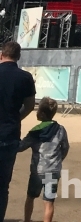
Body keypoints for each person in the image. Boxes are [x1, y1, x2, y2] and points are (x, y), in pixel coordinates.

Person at [0, 40, 35, 221]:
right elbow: (29, 106)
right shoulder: (25, 77)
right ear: (18, 57)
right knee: (2, 186)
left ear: (1, 55)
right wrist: (15, 119)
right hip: (9, 135)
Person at [19, 97, 69, 222]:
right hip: (53, 171)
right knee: (49, 202)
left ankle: (27, 220)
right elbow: (65, 147)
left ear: (41, 113)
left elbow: (21, 147)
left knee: (30, 197)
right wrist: (58, 160)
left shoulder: (35, 132)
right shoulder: (60, 129)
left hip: (38, 171)